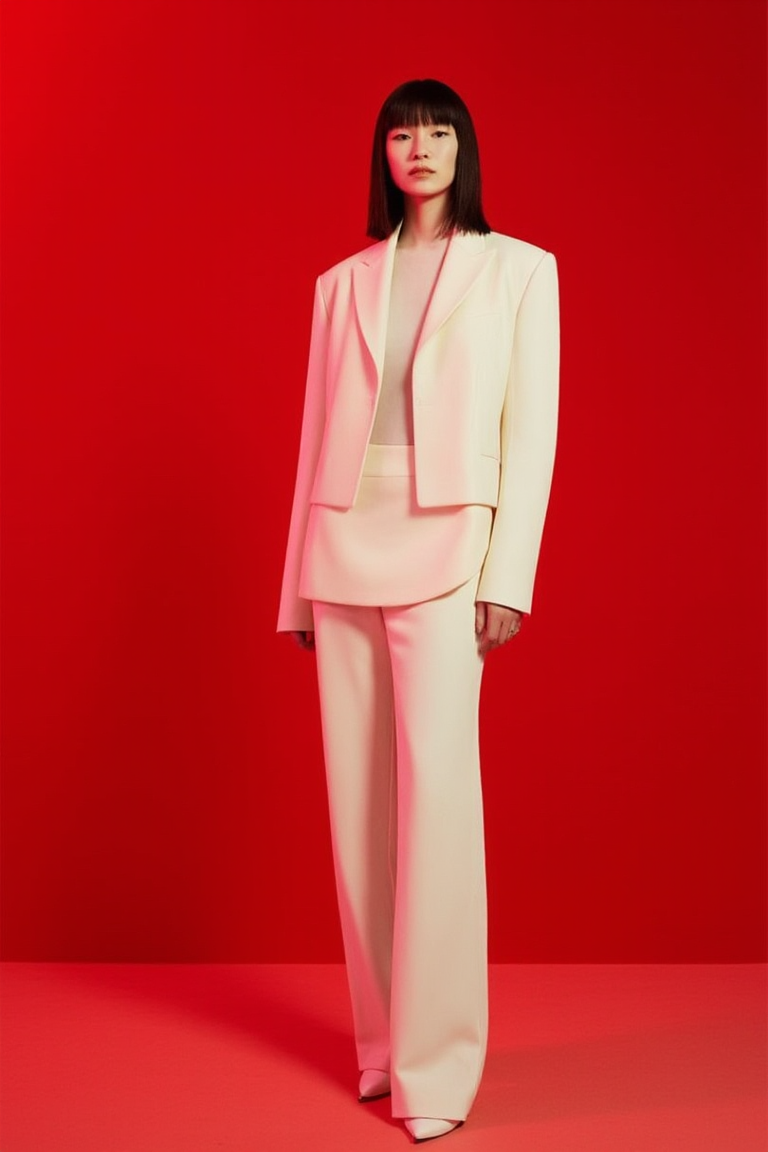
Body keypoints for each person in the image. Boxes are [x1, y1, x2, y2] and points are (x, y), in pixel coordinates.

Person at [277, 78, 559, 1143]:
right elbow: (314, 434)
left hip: (449, 548)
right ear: (384, 155)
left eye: (439, 131)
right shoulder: (341, 282)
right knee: (358, 809)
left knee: (438, 803)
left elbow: (531, 433)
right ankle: (382, 1046)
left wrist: (507, 576)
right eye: (403, 134)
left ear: (464, 148)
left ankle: (438, 1068)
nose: (421, 147)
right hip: (342, 544)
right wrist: (293, 584)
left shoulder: (519, 271)